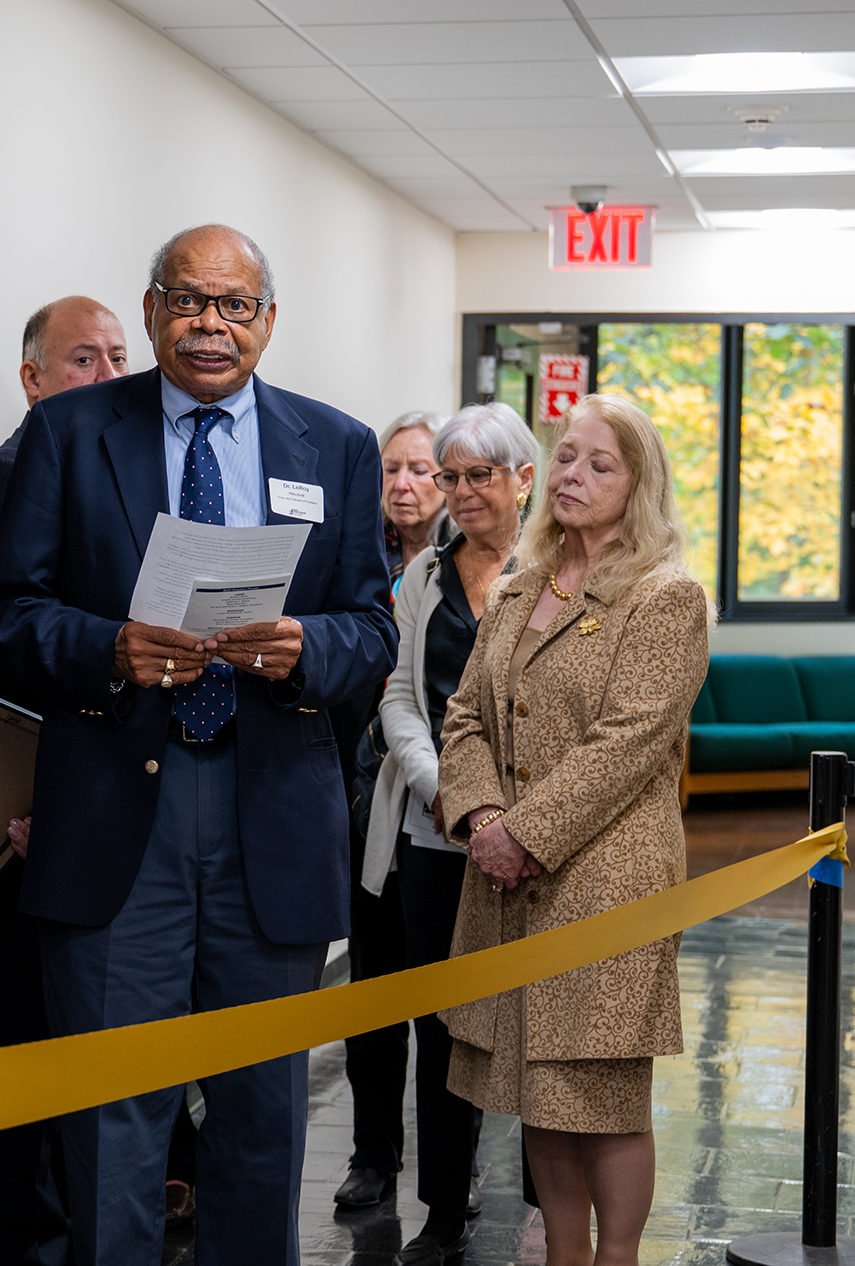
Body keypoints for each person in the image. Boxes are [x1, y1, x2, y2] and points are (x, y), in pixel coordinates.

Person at [0, 225, 396, 1266]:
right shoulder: (70, 435)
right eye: (189, 299)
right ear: (156, 307)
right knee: (113, 1119)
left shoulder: (333, 446)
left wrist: (309, 647)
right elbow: (12, 617)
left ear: (267, 321)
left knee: (264, 1116)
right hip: (123, 810)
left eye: (235, 304)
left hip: (272, 812)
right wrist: (108, 649)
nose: (211, 323)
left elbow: (375, 629)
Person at [437, 394, 710, 1266]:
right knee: (531, 1086)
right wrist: (483, 818)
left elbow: (629, 742)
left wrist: (523, 834)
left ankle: (617, 1258)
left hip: (606, 884)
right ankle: (561, 1254)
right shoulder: (521, 587)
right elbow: (463, 718)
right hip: (504, 878)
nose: (573, 475)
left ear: (639, 485)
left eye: (600, 463)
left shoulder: (666, 598)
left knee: (599, 1095)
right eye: (564, 457)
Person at [0, 294, 129, 1266]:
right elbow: (20, 655)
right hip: (34, 803)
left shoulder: (123, 480)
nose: (107, 377)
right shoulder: (7, 481)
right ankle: (25, 1242)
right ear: (32, 380)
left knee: (93, 1050)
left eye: (117, 359)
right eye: (82, 361)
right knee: (31, 1035)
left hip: (112, 803)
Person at [349, 404, 536, 1264]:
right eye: (449, 477)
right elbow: (397, 694)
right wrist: (445, 791)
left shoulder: (560, 571)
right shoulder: (424, 575)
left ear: (522, 480)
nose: (458, 493)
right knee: (442, 1029)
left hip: (538, 838)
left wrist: (513, 815)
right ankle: (441, 1207)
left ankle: (546, 1198)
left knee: (538, 1020)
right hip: (434, 834)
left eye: (478, 477)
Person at [336, 408, 453, 1215]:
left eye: (422, 470)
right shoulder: (352, 558)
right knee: (370, 993)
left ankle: (452, 1172)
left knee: (445, 1003)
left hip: (444, 808)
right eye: (391, 469)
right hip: (359, 800)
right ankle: (371, 1155)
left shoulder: (472, 567)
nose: (404, 485)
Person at [379, 411, 456, 589]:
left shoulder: (465, 546)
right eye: (391, 469)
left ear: (449, 478)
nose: (400, 484)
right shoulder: (363, 542)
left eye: (419, 471)